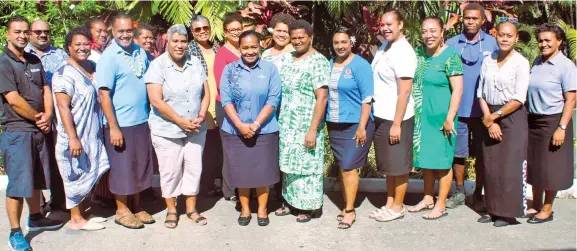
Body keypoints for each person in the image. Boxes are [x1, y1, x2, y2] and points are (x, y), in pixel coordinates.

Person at [0, 15, 64, 251]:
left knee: (36, 178)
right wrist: (39, 119)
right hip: (18, 131)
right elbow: (13, 100)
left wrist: (48, 114)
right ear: (7, 34)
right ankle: (15, 232)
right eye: (17, 31)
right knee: (18, 184)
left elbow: (45, 87)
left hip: (38, 129)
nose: (22, 35)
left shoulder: (34, 59)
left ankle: (35, 218)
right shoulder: (4, 64)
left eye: (25, 32)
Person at [145, 24, 210, 229]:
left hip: (196, 127)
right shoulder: (157, 65)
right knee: (170, 170)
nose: (180, 45)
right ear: (168, 42)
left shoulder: (195, 63)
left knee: (194, 168)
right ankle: (172, 210)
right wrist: (180, 121)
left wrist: (201, 115)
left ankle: (191, 208)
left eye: (183, 41)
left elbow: (206, 93)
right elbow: (156, 100)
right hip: (167, 130)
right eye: (175, 41)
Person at [95, 13, 155, 229]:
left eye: (129, 30)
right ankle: (121, 210)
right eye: (120, 31)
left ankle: (137, 206)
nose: (125, 35)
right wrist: (113, 127)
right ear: (112, 31)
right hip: (120, 123)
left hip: (141, 120)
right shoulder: (109, 57)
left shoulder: (139, 52)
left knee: (139, 165)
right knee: (122, 168)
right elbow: (104, 95)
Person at [220, 30, 282, 226]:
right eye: (245, 47)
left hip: (264, 130)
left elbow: (274, 99)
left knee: (263, 171)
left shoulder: (270, 69)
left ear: (260, 46)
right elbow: (226, 99)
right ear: (239, 48)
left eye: (253, 47)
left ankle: (262, 209)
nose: (249, 51)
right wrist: (239, 124)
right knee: (241, 171)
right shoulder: (229, 70)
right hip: (234, 131)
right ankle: (245, 208)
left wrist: (255, 124)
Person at [52, 27, 110, 231]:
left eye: (86, 43)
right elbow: (62, 106)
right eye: (78, 44)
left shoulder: (92, 66)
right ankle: (75, 219)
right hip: (75, 134)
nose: (83, 47)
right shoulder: (63, 73)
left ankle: (84, 211)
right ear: (69, 47)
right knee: (74, 175)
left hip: (92, 134)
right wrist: (73, 138)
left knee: (88, 172)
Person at [445, 3, 499, 210]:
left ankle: (479, 192)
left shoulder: (493, 44)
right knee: (458, 154)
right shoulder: (451, 44)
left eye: (475, 18)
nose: (470, 21)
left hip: (484, 113)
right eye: (467, 18)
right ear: (462, 19)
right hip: (458, 110)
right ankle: (459, 191)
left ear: (482, 21)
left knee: (483, 154)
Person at [409, 17, 464, 220]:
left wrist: (450, 117)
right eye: (425, 31)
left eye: (433, 31)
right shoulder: (419, 54)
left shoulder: (450, 56)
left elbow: (458, 89)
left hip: (443, 118)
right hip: (423, 118)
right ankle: (427, 198)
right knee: (427, 160)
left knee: (442, 162)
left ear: (442, 32)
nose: (428, 35)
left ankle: (440, 204)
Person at [274, 20, 329, 223]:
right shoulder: (285, 59)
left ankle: (309, 206)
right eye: (294, 38)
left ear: (310, 37)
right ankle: (290, 203)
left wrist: (313, 129)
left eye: (301, 37)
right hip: (287, 123)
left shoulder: (318, 61)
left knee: (307, 166)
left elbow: (322, 97)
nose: (297, 41)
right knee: (289, 165)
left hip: (307, 123)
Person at [476, 21, 530, 227]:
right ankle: (492, 209)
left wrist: (494, 117)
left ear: (516, 38)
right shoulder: (488, 60)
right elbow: (480, 93)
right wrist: (489, 120)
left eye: (509, 35)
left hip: (512, 116)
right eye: (501, 35)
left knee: (510, 165)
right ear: (495, 35)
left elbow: (519, 98)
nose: (505, 39)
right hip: (490, 114)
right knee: (491, 164)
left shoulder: (521, 63)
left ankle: (508, 213)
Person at [367, 10, 416, 222]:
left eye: (390, 24)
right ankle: (389, 202)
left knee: (399, 164)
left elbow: (404, 92)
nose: (386, 28)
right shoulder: (386, 47)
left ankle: (398, 207)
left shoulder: (403, 52)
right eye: (383, 24)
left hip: (397, 117)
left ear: (401, 24)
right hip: (382, 115)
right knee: (389, 164)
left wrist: (397, 124)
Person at [526, 23, 576, 224]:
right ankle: (536, 203)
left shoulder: (566, 66)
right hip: (533, 120)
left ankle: (547, 209)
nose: (543, 44)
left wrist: (561, 128)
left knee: (550, 167)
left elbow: (571, 100)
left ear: (559, 41)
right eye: (540, 40)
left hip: (553, 120)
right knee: (535, 164)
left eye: (548, 40)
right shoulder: (537, 61)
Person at [327, 27, 374, 229]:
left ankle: (350, 210)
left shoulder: (361, 65)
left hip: (356, 124)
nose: (340, 46)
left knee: (349, 165)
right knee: (343, 167)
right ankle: (346, 204)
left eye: (344, 42)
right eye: (336, 42)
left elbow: (367, 98)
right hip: (335, 124)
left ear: (351, 42)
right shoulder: (329, 64)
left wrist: (362, 126)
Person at [24, 18, 68, 212]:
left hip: (59, 115)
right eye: (38, 32)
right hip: (33, 116)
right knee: (36, 161)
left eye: (46, 32)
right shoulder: (22, 55)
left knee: (59, 157)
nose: (43, 35)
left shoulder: (61, 54)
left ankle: (60, 200)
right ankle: (39, 205)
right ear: (30, 34)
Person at [186, 14, 222, 197]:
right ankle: (203, 185)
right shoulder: (189, 50)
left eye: (205, 28)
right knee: (204, 149)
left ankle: (216, 182)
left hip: (220, 103)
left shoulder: (217, 48)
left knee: (218, 147)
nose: (202, 32)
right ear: (192, 32)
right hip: (202, 106)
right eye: (198, 29)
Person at [213, 12, 243, 202]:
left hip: (245, 107)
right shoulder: (222, 54)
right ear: (225, 33)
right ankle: (229, 189)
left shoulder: (245, 49)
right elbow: (220, 85)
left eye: (238, 29)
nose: (236, 33)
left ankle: (244, 185)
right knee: (230, 149)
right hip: (227, 106)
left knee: (243, 149)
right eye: (231, 30)